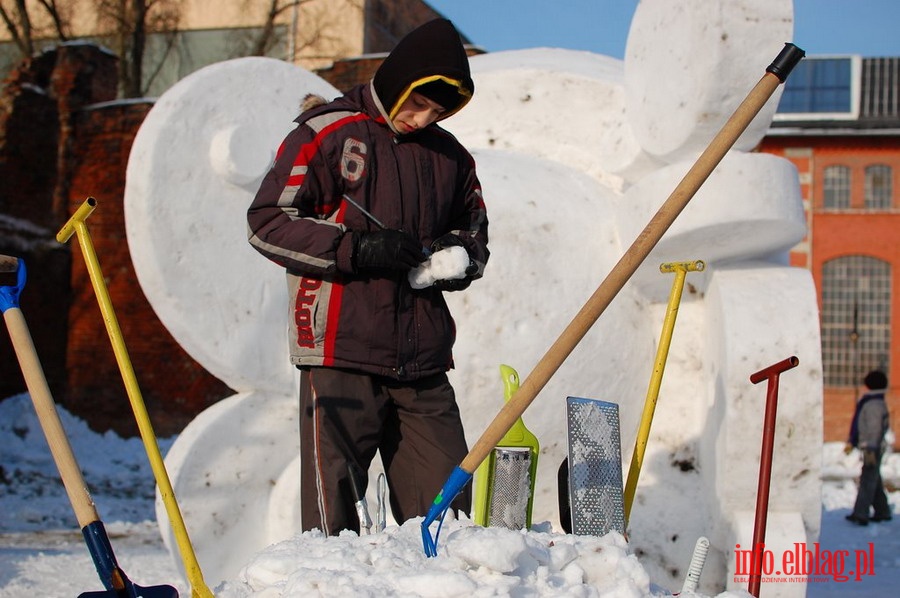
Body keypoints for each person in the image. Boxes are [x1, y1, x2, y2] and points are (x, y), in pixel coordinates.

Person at [247, 18, 489, 536]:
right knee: (335, 529)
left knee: (449, 524)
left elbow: (475, 237)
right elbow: (267, 223)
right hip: (339, 351)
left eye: (439, 112)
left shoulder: (452, 159)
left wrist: (455, 260)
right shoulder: (327, 133)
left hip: (422, 361)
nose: (422, 119)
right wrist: (357, 248)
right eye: (418, 103)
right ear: (398, 81)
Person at [844, 370, 892, 525]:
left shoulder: (873, 404)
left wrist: (870, 447)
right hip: (871, 447)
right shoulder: (872, 401)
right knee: (873, 478)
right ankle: (882, 511)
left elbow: (874, 428)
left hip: (873, 448)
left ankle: (861, 513)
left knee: (867, 480)